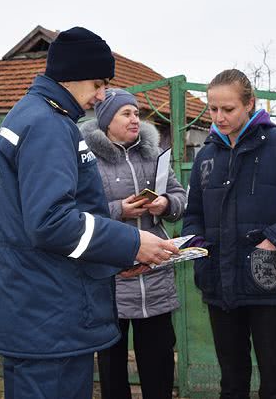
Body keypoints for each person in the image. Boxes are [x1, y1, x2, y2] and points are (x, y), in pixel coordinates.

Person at [0, 27, 176, 399]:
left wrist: (115, 257)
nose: (101, 95)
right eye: (98, 83)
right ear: (71, 75)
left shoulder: (31, 117)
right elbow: (51, 222)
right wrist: (132, 242)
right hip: (50, 312)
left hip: (37, 305)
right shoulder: (47, 126)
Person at [182, 69, 276, 399]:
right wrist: (196, 247)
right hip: (220, 285)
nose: (219, 117)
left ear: (250, 103)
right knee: (231, 384)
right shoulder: (206, 156)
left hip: (270, 285)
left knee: (275, 385)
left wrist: (275, 241)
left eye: (228, 109)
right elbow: (194, 214)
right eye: (213, 108)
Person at [80, 88, 186, 399]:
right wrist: (119, 210)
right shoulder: (88, 161)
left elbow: (181, 197)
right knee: (112, 367)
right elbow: (79, 214)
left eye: (137, 113)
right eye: (126, 113)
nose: (134, 119)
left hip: (155, 276)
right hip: (112, 279)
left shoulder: (152, 155)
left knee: (160, 363)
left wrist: (164, 204)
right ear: (106, 121)